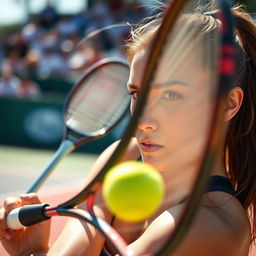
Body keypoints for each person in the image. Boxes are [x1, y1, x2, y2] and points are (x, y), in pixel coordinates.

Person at [0, 4, 256, 256]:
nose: (143, 119)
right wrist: (32, 252)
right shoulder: (122, 156)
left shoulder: (212, 223)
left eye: (170, 95)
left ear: (227, 104)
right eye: (137, 93)